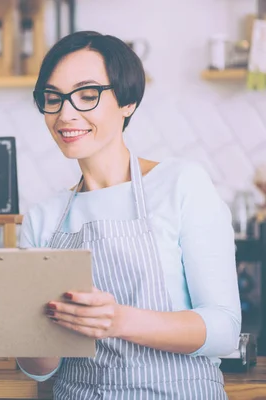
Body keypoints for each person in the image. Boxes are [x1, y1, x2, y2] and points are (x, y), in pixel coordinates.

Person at [16, 31, 241, 399]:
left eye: (87, 96)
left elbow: (223, 329)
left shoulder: (181, 184)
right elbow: (39, 369)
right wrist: (32, 332)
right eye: (53, 98)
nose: (65, 114)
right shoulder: (44, 218)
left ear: (128, 103)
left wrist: (119, 320)